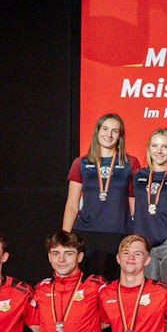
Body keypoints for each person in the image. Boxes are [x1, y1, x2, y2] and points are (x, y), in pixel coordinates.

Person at [62, 113, 139, 279]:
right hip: (86, 233)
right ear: (97, 132)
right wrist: (65, 238)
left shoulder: (130, 163)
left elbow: (134, 202)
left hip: (119, 233)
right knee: (85, 286)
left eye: (114, 131)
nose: (109, 135)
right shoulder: (81, 163)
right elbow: (72, 204)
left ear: (120, 136)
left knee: (114, 286)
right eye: (105, 129)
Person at [98, 235, 167, 332]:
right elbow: (97, 324)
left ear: (147, 260)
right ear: (118, 258)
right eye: (126, 253)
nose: (131, 257)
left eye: (137, 254)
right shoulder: (106, 292)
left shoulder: (162, 291)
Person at [28, 231, 107, 332]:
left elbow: (112, 319)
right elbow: (33, 322)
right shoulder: (41, 288)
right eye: (56, 253)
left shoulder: (96, 285)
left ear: (79, 257)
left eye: (68, 253)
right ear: (49, 257)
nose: (61, 260)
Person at [132, 128, 167, 283]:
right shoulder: (137, 176)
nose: (159, 151)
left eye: (165, 146)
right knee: (149, 293)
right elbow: (129, 207)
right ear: (149, 148)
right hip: (144, 245)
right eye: (155, 146)